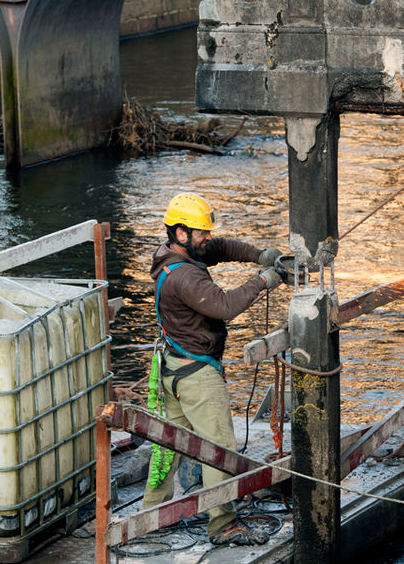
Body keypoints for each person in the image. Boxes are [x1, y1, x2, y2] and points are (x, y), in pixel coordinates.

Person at [142, 192, 283, 546]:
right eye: (200, 232)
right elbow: (224, 305)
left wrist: (260, 255)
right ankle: (223, 525)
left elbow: (220, 247)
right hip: (198, 378)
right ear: (179, 232)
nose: (207, 237)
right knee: (219, 448)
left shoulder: (171, 255)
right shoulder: (186, 279)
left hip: (174, 371)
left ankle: (148, 518)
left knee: (169, 445)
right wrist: (264, 280)